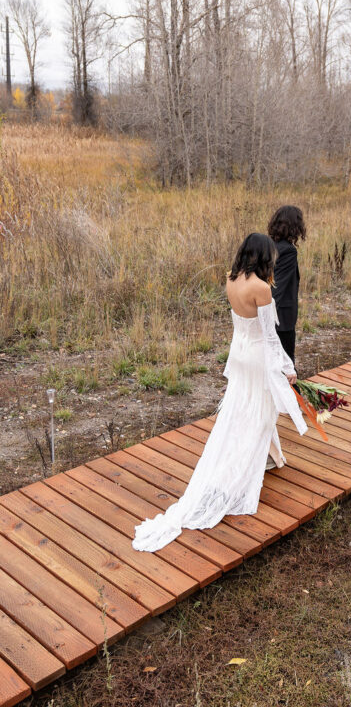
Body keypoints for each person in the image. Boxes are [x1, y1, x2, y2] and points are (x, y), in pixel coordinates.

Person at [132, 233, 307, 553]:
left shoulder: (231, 279)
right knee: (259, 412)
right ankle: (244, 470)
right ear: (263, 256)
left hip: (238, 352)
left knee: (243, 409)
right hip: (255, 357)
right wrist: (287, 367)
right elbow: (271, 336)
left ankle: (274, 457)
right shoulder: (262, 288)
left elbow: (244, 324)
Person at [267, 205, 306, 367]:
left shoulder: (268, 245)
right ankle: (291, 391)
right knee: (286, 362)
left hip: (266, 311)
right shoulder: (289, 251)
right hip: (281, 315)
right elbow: (278, 287)